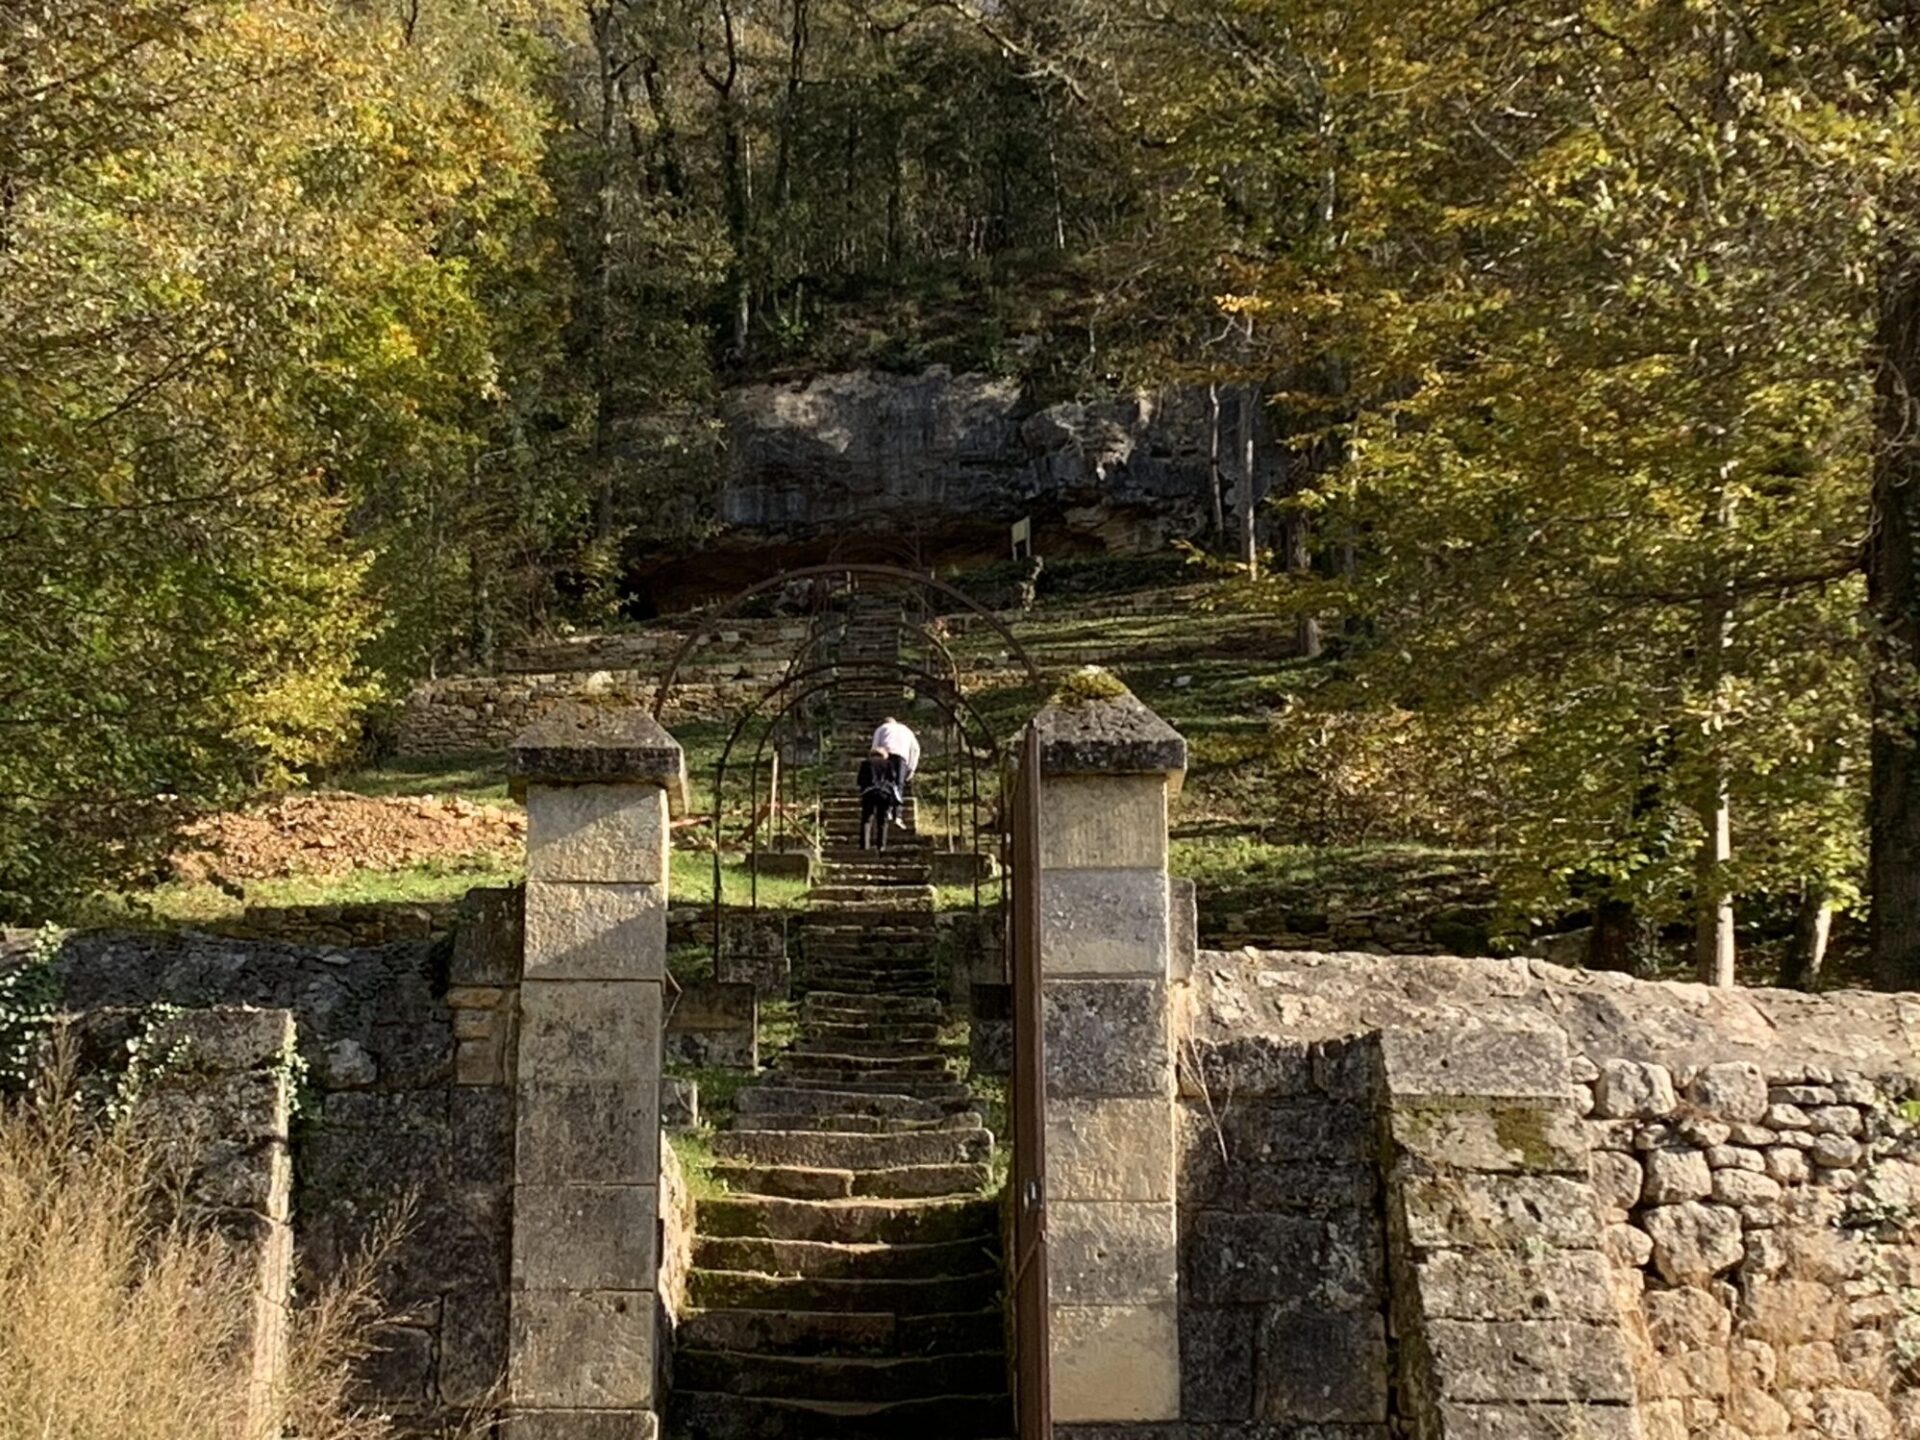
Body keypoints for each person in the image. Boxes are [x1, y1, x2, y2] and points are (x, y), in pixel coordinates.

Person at [856, 747, 901, 851]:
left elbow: (860, 780)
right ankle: (881, 846)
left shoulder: (866, 763)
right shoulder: (888, 763)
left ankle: (865, 845)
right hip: (884, 793)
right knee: (883, 820)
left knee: (867, 819)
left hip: (869, 792)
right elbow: (893, 778)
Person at [871, 716, 920, 788]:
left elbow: (875, 748)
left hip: (885, 757)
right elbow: (916, 749)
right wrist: (911, 769)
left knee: (883, 784)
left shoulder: (881, 728)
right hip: (901, 758)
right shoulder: (907, 730)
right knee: (899, 784)